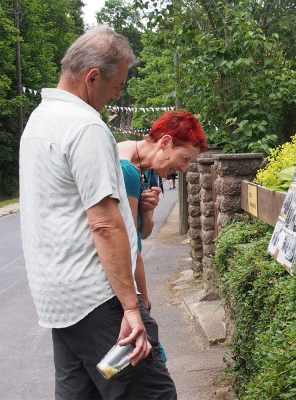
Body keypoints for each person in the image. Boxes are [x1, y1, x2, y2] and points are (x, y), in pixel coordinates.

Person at [19, 26, 176, 399]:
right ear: (92, 78)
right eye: (117, 84)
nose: (118, 94)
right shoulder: (85, 126)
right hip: (98, 300)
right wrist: (132, 308)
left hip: (59, 301)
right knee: (153, 394)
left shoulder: (38, 123)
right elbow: (105, 224)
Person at [117, 110, 207, 313]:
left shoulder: (143, 169)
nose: (184, 168)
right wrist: (144, 304)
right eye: (184, 158)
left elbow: (143, 234)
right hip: (121, 289)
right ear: (165, 143)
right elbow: (130, 249)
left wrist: (147, 211)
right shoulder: (127, 170)